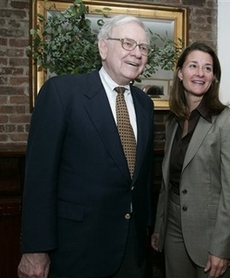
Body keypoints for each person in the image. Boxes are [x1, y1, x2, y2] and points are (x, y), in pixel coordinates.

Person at [18, 15, 154, 278]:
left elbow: (140, 180)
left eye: (143, 47)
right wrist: (35, 249)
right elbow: (39, 177)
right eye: (127, 43)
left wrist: (146, 229)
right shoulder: (62, 93)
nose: (136, 53)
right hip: (77, 251)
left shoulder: (144, 105)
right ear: (103, 47)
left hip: (131, 252)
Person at [151, 42, 230, 278]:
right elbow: (168, 182)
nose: (200, 73)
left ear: (214, 77)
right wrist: (159, 227)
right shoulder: (174, 122)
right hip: (173, 227)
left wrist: (222, 248)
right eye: (193, 66)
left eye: (208, 68)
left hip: (212, 233)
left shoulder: (229, 121)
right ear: (181, 72)